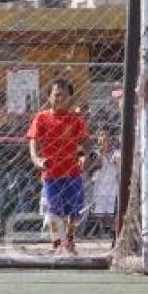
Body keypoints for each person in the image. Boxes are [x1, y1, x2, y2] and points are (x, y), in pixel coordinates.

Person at [27, 78, 89, 255]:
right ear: (49, 96)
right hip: (51, 173)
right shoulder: (41, 117)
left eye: (64, 95)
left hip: (73, 173)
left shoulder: (75, 119)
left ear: (70, 97)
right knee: (54, 211)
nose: (59, 98)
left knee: (75, 210)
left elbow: (83, 142)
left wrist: (83, 157)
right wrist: (35, 158)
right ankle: (56, 243)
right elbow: (33, 139)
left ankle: (69, 238)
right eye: (56, 95)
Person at [87, 127, 120, 238]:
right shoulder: (94, 153)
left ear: (111, 138)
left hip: (113, 188)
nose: (103, 138)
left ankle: (115, 236)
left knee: (112, 215)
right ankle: (107, 232)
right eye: (101, 135)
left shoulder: (117, 153)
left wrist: (113, 160)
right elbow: (90, 170)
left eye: (106, 135)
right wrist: (100, 156)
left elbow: (119, 168)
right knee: (102, 215)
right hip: (99, 188)